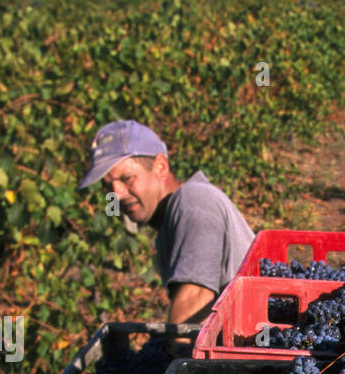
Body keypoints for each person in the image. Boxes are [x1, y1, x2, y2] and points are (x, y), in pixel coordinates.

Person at [79, 120, 255, 324]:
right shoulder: (168, 224)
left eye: (127, 178)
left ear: (160, 166)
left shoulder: (193, 201)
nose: (116, 195)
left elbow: (195, 300)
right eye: (108, 186)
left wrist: (170, 350)